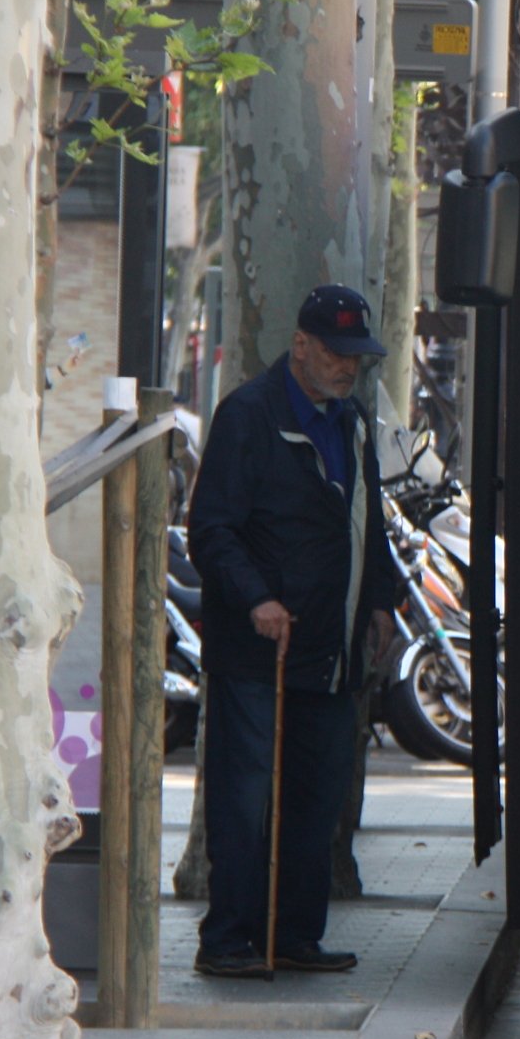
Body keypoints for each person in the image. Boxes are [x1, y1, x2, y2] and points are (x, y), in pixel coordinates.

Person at [185, 285, 404, 978]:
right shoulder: (248, 414)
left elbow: (366, 522)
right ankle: (228, 939)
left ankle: (295, 934)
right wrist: (257, 599)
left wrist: (380, 600)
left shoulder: (354, 422)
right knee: (244, 797)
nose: (347, 368)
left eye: (357, 357)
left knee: (315, 797)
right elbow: (211, 530)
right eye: (337, 354)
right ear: (301, 344)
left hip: (330, 648)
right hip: (260, 649)